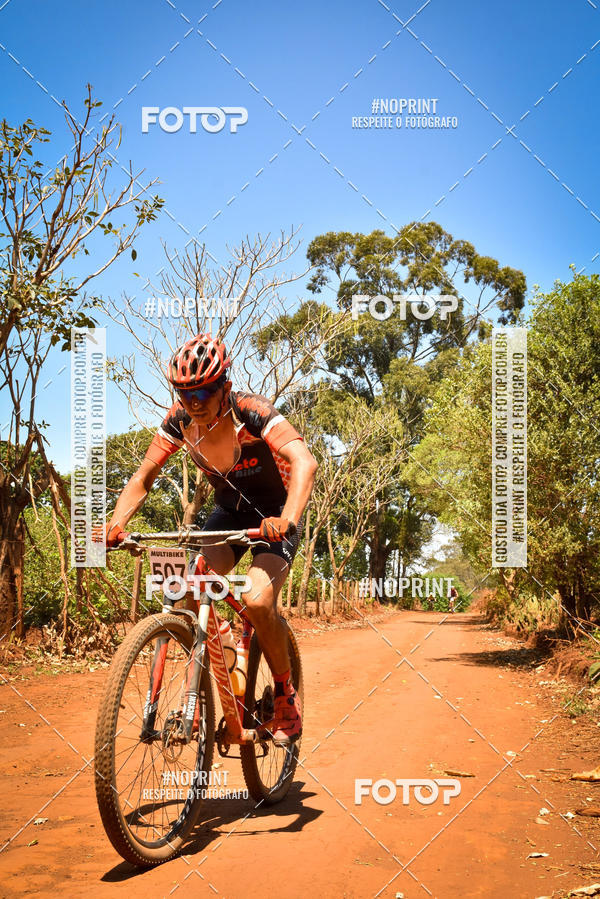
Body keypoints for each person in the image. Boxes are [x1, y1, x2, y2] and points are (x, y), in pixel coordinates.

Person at [101, 333, 318, 744]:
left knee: (256, 600)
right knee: (187, 588)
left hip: (272, 517)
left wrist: (287, 518)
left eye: (202, 391)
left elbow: (304, 461)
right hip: (228, 516)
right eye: (184, 393)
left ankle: (286, 696)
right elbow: (144, 476)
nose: (194, 402)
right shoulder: (179, 421)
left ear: (225, 388)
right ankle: (207, 683)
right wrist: (115, 524)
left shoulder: (252, 412)